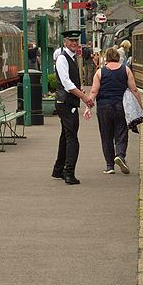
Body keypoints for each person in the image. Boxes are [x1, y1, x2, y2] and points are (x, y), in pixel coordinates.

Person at [84, 47, 143, 174]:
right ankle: (120, 155)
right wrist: (140, 107)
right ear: (118, 57)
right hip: (121, 106)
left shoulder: (100, 72)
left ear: (106, 58)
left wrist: (88, 107)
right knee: (121, 132)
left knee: (106, 135)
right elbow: (134, 90)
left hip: (104, 107)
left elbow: (94, 91)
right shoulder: (126, 70)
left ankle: (110, 166)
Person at [52, 30, 94, 185]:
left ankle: (58, 169)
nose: (75, 43)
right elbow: (67, 84)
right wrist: (84, 97)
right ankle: (69, 173)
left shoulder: (72, 57)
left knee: (65, 135)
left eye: (76, 41)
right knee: (72, 139)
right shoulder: (63, 59)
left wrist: (79, 91)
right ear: (65, 42)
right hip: (66, 103)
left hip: (67, 102)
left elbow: (72, 83)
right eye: (71, 41)